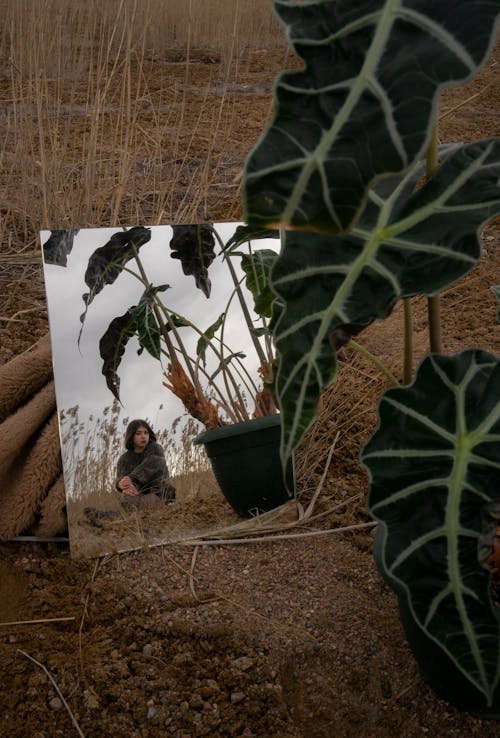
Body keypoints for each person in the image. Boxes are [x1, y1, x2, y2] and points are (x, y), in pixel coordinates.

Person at [116, 419, 175, 509]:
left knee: (138, 505)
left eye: (146, 433)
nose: (143, 436)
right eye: (138, 433)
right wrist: (121, 484)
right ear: (131, 436)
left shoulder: (155, 448)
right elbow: (120, 479)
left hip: (159, 492)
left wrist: (131, 479)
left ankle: (129, 510)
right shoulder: (124, 459)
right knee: (128, 497)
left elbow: (154, 463)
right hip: (136, 494)